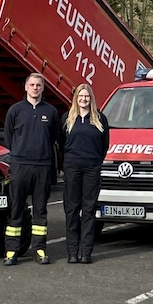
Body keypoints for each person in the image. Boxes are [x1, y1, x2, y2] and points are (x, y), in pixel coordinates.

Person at [3, 72, 61, 266]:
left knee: (40, 211)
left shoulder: (51, 112)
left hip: (43, 166)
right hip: (20, 166)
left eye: (39, 85)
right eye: (32, 85)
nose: (35, 88)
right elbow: (9, 138)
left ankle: (40, 249)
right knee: (16, 209)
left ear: (43, 88)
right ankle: (12, 251)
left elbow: (54, 138)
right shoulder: (15, 110)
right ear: (25, 87)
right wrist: (20, 155)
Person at [60, 83, 109, 264]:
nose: (84, 99)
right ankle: (72, 252)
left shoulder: (100, 119)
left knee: (88, 210)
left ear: (91, 98)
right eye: (81, 96)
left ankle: (86, 252)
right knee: (72, 210)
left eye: (87, 96)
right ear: (76, 98)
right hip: (72, 168)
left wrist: (95, 163)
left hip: (91, 169)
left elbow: (104, 145)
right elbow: (61, 143)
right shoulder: (67, 118)